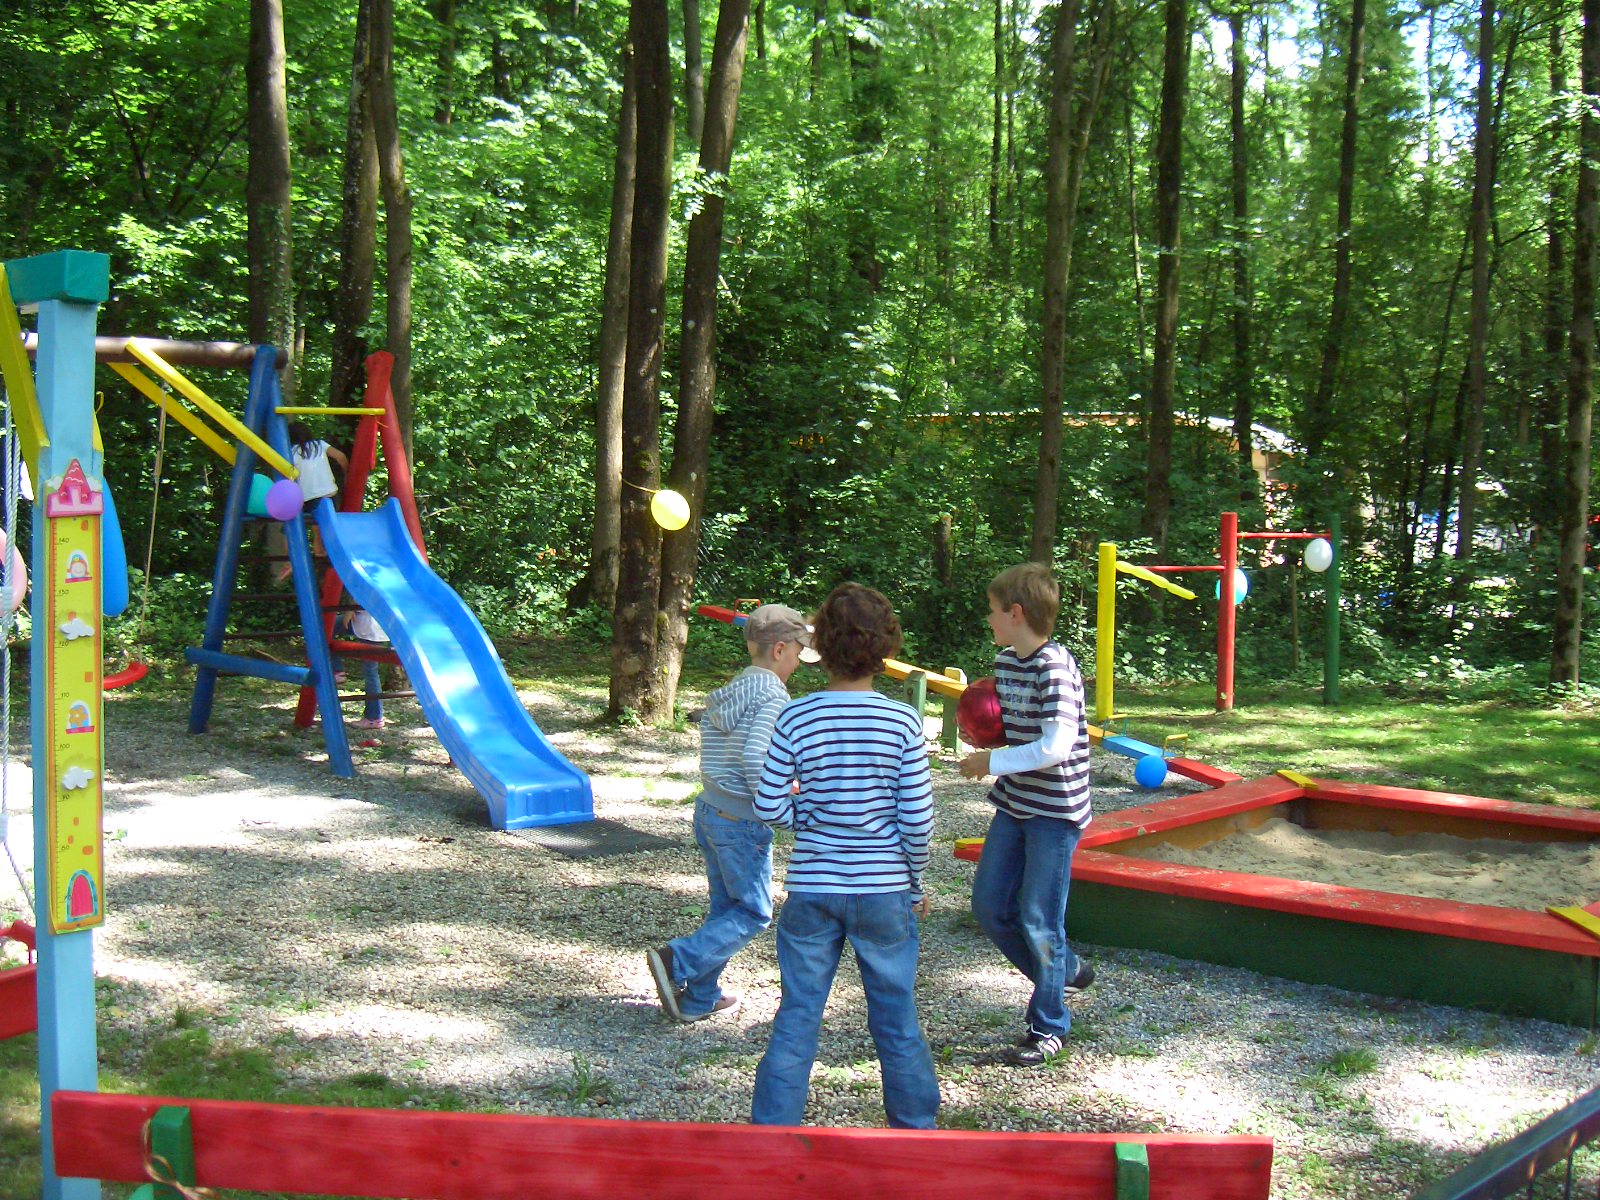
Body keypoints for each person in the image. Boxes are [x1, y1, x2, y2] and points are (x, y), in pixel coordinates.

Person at [750, 583, 939, 1130]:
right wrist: (915, 883)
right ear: (886, 647)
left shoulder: (796, 717)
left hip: (813, 886)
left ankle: (770, 1137)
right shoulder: (903, 723)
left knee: (798, 1015)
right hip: (884, 890)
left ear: (821, 647)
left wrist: (808, 817)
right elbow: (917, 820)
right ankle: (917, 1134)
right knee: (896, 1018)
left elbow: (768, 803)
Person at [646, 604, 817, 1023]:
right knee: (754, 912)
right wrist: (779, 805)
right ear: (780, 649)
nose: (798, 664)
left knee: (727, 910)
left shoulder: (735, 689)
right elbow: (756, 758)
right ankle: (676, 960)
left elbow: (734, 752)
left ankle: (700, 996)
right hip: (742, 821)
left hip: (712, 809)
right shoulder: (774, 697)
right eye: (798, 653)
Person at [959, 562, 1094, 1067]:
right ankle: (1065, 970)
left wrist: (989, 762)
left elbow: (1055, 747)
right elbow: (1009, 726)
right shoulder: (1006, 662)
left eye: (993, 611)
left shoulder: (1054, 668)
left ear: (1015, 614)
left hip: (1055, 812)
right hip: (1016, 804)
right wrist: (982, 732)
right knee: (991, 906)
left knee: (1039, 919)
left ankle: (1049, 1026)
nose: (988, 619)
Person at [276, 423, 349, 582]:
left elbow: (290, 479)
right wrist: (346, 474)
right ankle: (319, 547)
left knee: (287, 528)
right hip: (329, 495)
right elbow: (341, 457)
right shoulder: (320, 445)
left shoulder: (290, 452)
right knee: (321, 517)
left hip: (307, 498)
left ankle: (290, 560)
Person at [335, 606, 389, 730]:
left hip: (369, 625)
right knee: (326, 627)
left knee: (370, 671)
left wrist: (351, 609)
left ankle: (373, 717)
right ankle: (337, 671)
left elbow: (366, 597)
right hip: (368, 623)